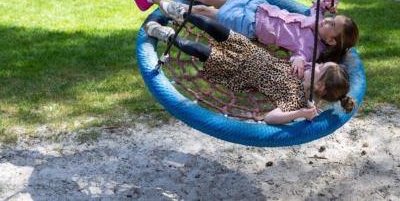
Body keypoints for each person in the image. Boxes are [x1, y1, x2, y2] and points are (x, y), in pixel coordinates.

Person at [128, 0, 359, 79]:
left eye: (332, 25)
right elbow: (318, 6)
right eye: (331, 19)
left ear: (331, 41)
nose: (328, 21)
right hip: (255, 5)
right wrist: (328, 3)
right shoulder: (319, 20)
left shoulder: (312, 47)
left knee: (200, 10)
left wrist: (298, 61)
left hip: (249, 23)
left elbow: (302, 57)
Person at [142, 7, 356, 125]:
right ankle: (182, 13)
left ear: (319, 86)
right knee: (213, 26)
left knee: (200, 50)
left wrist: (300, 113)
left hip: (238, 70)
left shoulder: (296, 100)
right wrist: (298, 59)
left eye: (321, 68)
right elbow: (303, 56)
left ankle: (167, 35)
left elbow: (270, 118)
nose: (317, 65)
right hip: (249, 50)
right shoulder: (307, 70)